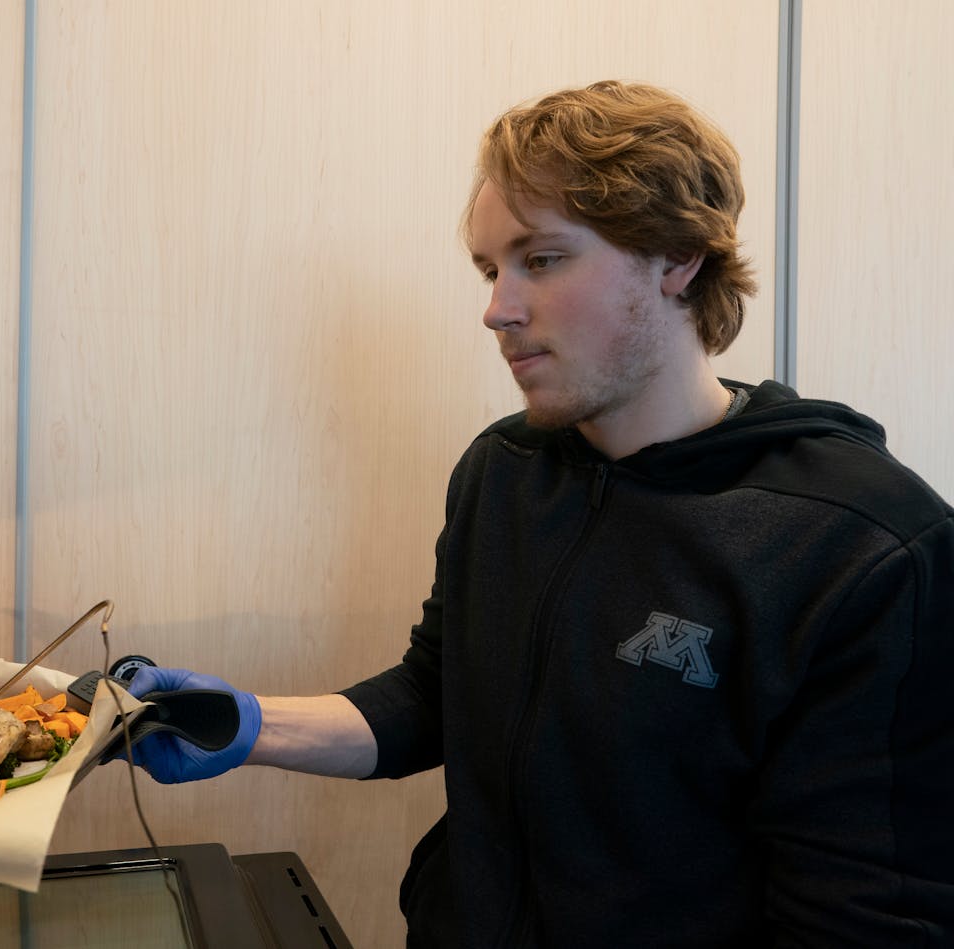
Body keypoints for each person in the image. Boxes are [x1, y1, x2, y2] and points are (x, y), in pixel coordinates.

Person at [122, 80, 954, 946]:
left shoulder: (865, 543)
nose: (498, 309)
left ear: (676, 257)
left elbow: (871, 917)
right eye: (490, 269)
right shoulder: (505, 469)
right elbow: (437, 696)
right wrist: (243, 722)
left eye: (542, 259)